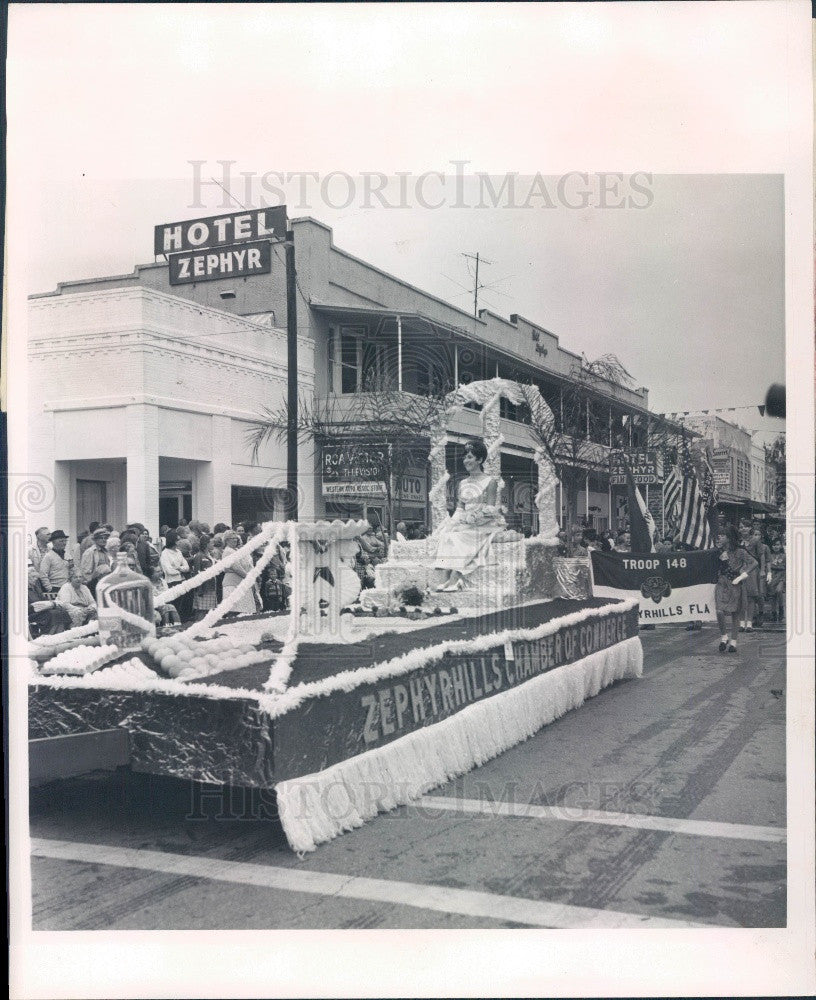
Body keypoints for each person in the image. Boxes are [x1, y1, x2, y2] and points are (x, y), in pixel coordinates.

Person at [433, 439, 506, 592]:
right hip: (466, 522)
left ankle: (455, 577)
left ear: (479, 459)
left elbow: (490, 509)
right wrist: (451, 523)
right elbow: (460, 508)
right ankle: (449, 579)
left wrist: (474, 518)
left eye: (470, 457)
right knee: (447, 534)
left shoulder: (490, 481)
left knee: (459, 537)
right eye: (465, 457)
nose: (466, 460)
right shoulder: (463, 483)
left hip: (485, 524)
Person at [714, 525, 757, 653]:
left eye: (723, 535)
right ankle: (724, 636)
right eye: (719, 535)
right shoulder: (718, 551)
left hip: (735, 583)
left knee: (735, 614)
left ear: (730, 537)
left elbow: (754, 563)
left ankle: (733, 642)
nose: (720, 538)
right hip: (722, 583)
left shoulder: (740, 551)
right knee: (719, 611)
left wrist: (743, 575)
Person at [28, 560, 71, 637]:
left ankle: (59, 635)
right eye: (33, 577)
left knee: (62, 611)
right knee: (52, 614)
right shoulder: (23, 590)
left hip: (41, 611)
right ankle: (50, 636)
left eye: (36, 577)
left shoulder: (36, 587)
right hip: (32, 613)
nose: (35, 579)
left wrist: (51, 603)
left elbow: (43, 598)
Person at [221, 530, 258, 614]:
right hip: (232, 584)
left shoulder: (235, 550)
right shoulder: (228, 551)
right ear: (226, 540)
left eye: (236, 538)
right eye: (232, 538)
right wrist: (249, 578)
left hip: (241, 582)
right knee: (235, 610)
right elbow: (236, 568)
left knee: (244, 611)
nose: (235, 540)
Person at [737, 519, 763, 631]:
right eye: (741, 527)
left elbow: (761, 555)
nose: (743, 529)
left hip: (752, 569)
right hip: (739, 569)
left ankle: (749, 623)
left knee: (751, 597)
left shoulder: (755, 540)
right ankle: (742, 623)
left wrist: (763, 570)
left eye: (746, 526)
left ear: (750, 528)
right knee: (740, 596)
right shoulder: (737, 540)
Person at [159, 529, 190, 620]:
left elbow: (187, 566)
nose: (179, 542)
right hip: (171, 582)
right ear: (173, 540)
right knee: (174, 605)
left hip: (181, 581)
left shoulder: (179, 552)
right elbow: (169, 571)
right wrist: (180, 570)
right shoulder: (165, 553)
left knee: (181, 605)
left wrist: (179, 568)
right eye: (177, 540)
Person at [79, 527, 114, 594]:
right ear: (95, 539)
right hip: (93, 585)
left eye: (105, 538)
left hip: (103, 584)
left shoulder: (105, 552)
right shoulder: (90, 552)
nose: (104, 540)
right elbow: (85, 572)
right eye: (101, 538)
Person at [191, 534, 218, 618]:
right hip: (203, 588)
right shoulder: (199, 556)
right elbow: (197, 573)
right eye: (211, 543)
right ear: (206, 544)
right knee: (201, 610)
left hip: (211, 586)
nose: (213, 544)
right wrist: (199, 590)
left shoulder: (211, 555)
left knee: (209, 610)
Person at [767, 537, 786, 622]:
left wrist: (785, 578)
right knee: (772, 595)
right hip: (772, 576)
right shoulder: (770, 556)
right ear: (772, 546)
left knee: (779, 591)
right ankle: (774, 613)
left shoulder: (784, 556)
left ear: (781, 546)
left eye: (778, 544)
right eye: (774, 545)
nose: (776, 546)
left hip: (781, 576)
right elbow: (767, 566)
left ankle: (781, 611)